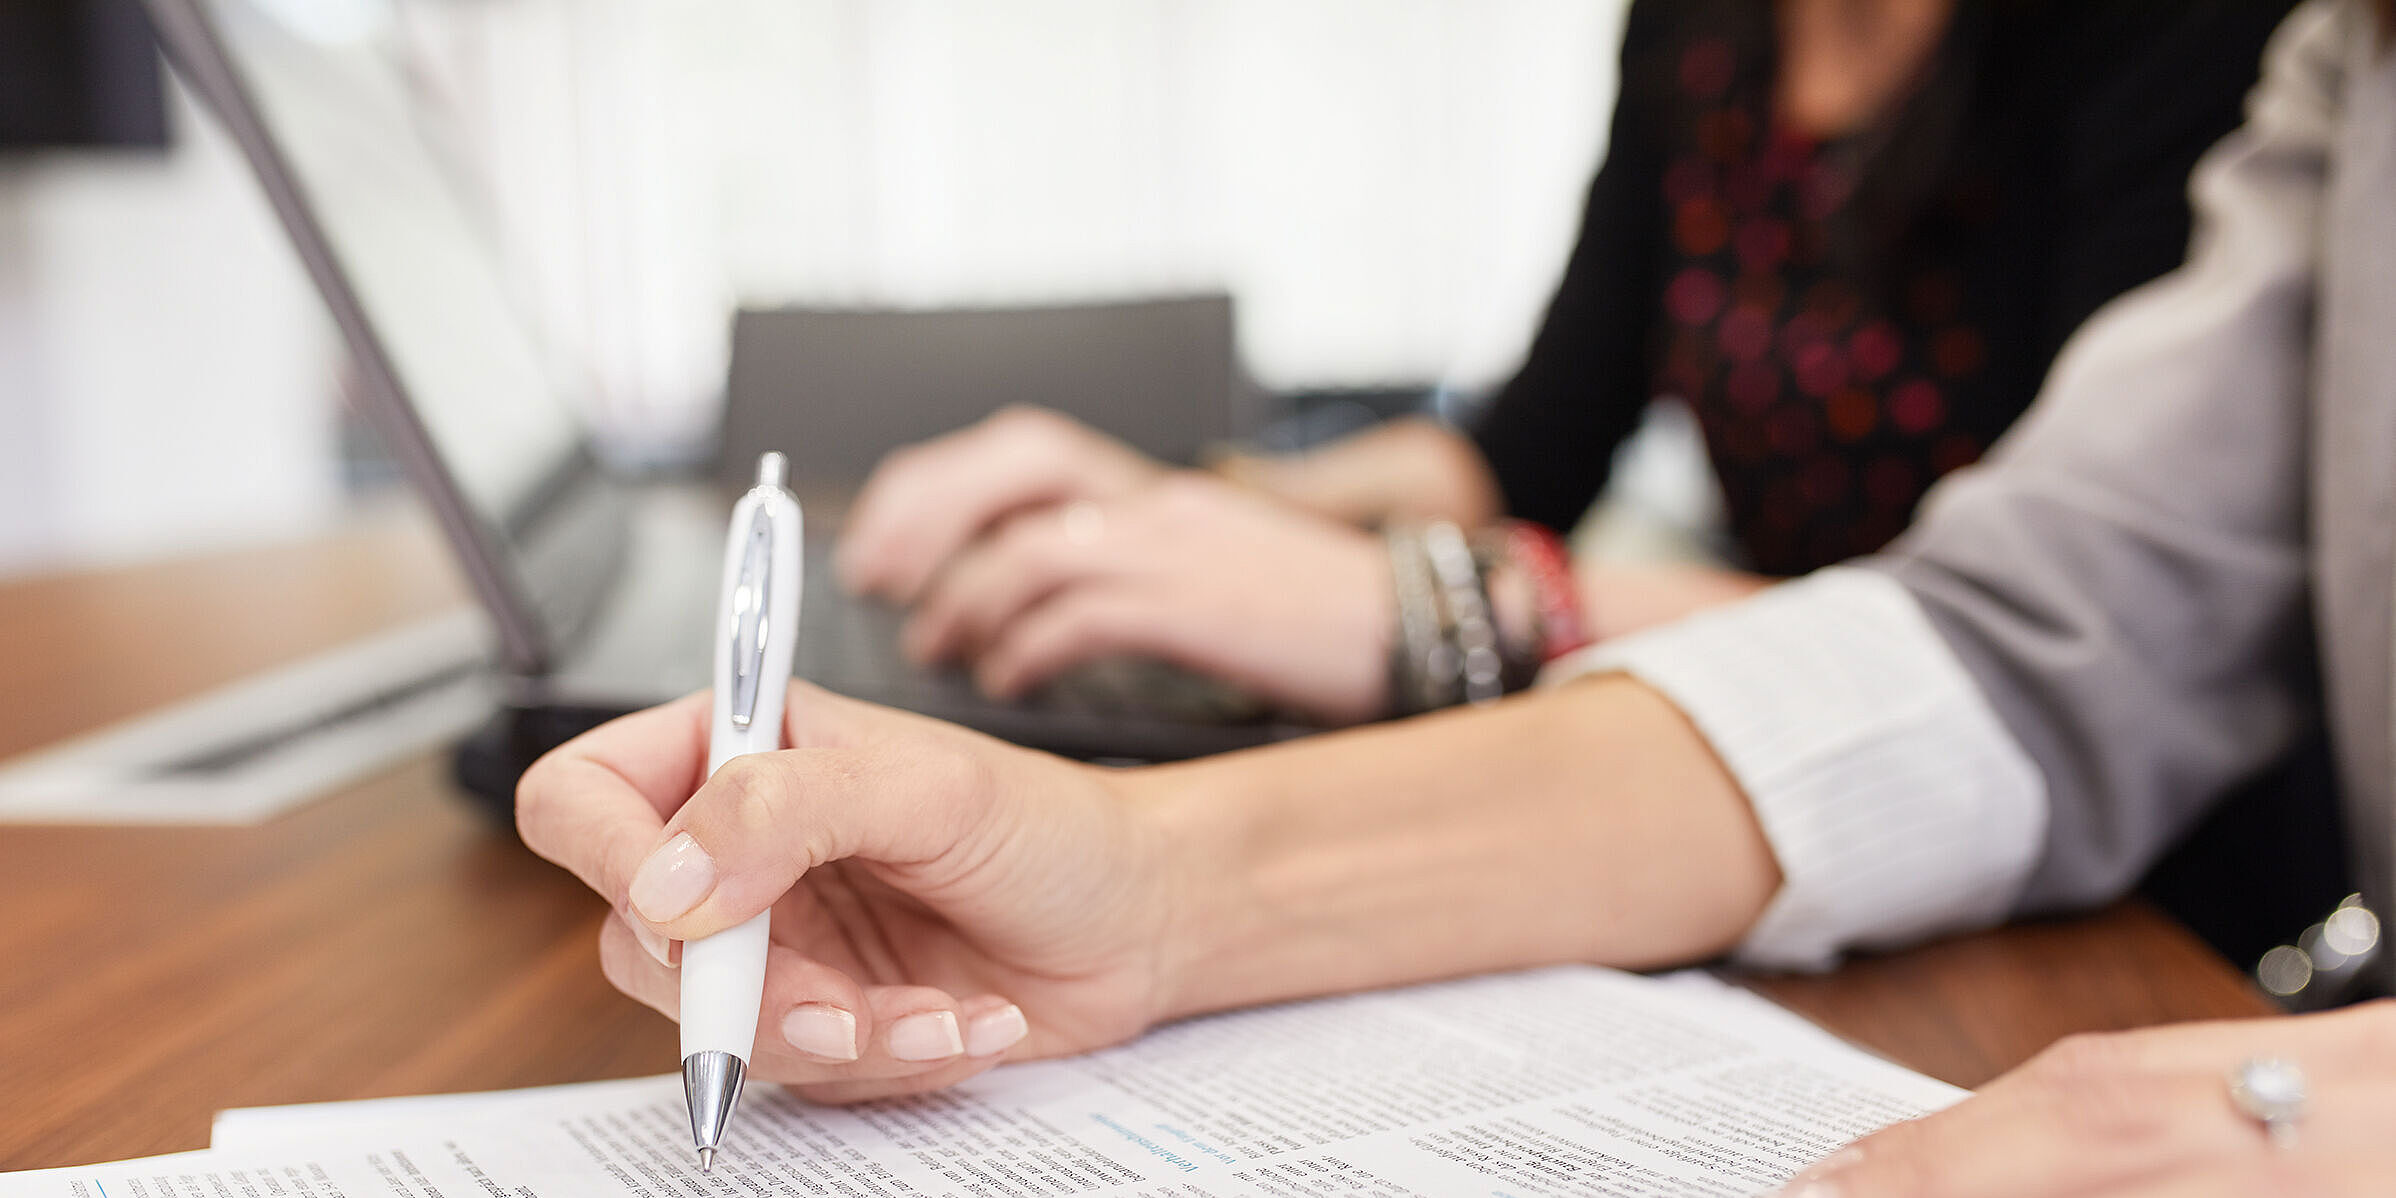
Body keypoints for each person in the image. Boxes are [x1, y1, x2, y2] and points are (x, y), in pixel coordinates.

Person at [519, 0, 2396, 1198]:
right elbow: (2035, 633)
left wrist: (1434, 606)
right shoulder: (2332, 59)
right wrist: (1152, 864)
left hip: (2191, 929)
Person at [831, 0, 2291, 724]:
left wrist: (1440, 607)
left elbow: (2052, 630)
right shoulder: (1707, 31)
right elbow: (1525, 451)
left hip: (2063, 811)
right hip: (1768, 699)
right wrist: (1189, 505)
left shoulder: (2171, 41)